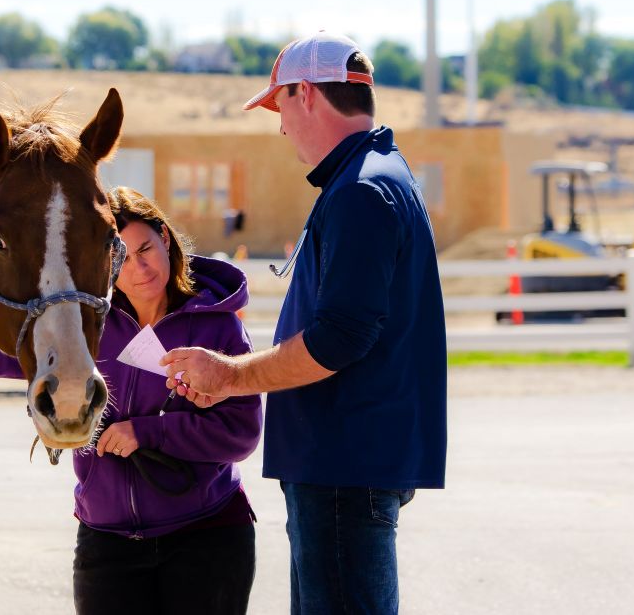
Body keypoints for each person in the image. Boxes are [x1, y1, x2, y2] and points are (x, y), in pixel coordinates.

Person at [161, 31, 448, 615]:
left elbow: (340, 337)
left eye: (279, 104)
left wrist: (230, 377)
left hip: (342, 466)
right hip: (348, 462)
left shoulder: (361, 192)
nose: (280, 124)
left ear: (307, 94)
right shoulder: (375, 175)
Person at [0, 186, 262, 615]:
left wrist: (147, 433)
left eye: (146, 248)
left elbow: (241, 434)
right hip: (105, 542)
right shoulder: (83, 327)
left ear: (165, 238)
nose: (139, 267)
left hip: (207, 536)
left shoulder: (217, 326)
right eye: (122, 258)